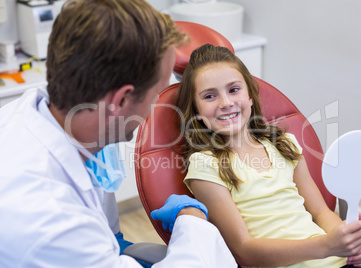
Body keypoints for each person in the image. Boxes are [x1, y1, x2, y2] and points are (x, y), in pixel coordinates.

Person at [0, 0, 237, 267]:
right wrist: (192, 220)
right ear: (123, 99)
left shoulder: (30, 109)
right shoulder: (51, 220)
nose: (151, 112)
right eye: (156, 95)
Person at [176, 44, 361, 268]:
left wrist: (350, 242)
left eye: (234, 90)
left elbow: (321, 212)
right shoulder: (206, 164)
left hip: (337, 260)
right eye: (209, 96)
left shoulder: (283, 145)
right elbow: (244, 250)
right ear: (196, 111)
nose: (225, 103)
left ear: (251, 96)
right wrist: (326, 245)